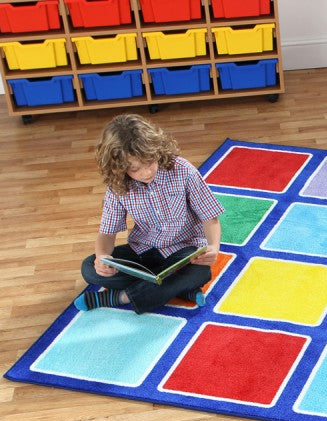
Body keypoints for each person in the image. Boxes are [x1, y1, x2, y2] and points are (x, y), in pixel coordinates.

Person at [74, 114, 223, 314]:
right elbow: (107, 233)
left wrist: (213, 247)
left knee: (200, 271)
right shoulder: (117, 186)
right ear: (119, 168)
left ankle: (118, 297)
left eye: (149, 162)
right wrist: (102, 257)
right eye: (135, 169)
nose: (146, 172)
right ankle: (176, 289)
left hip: (183, 251)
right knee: (89, 269)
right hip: (143, 250)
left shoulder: (183, 171)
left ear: (157, 149)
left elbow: (210, 217)